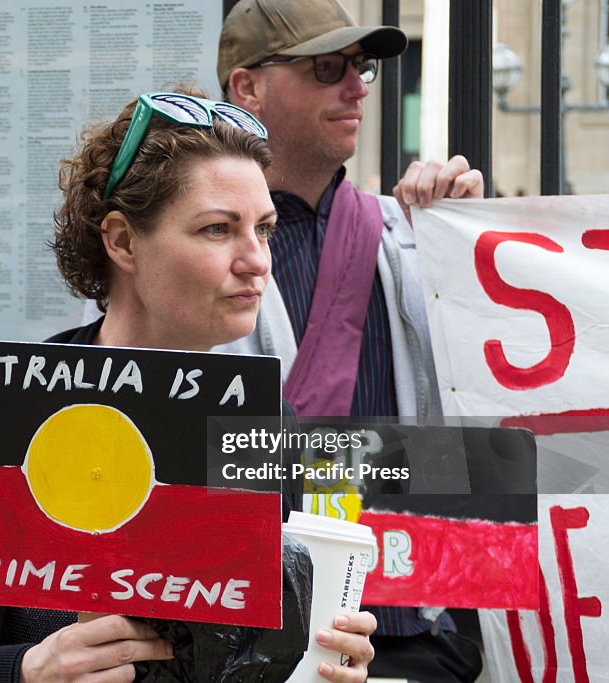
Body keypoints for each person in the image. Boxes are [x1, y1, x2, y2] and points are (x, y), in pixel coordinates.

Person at [0, 89, 376, 682]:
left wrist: (324, 660)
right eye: (218, 229)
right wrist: (24, 672)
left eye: (265, 229)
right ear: (122, 241)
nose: (257, 260)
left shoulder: (265, 424)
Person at [215, 1, 484, 681]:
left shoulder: (413, 232)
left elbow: (493, 390)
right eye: (327, 67)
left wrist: (473, 239)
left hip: (412, 619)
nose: (358, 86)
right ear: (247, 87)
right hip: (256, 631)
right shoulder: (190, 251)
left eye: (359, 67)